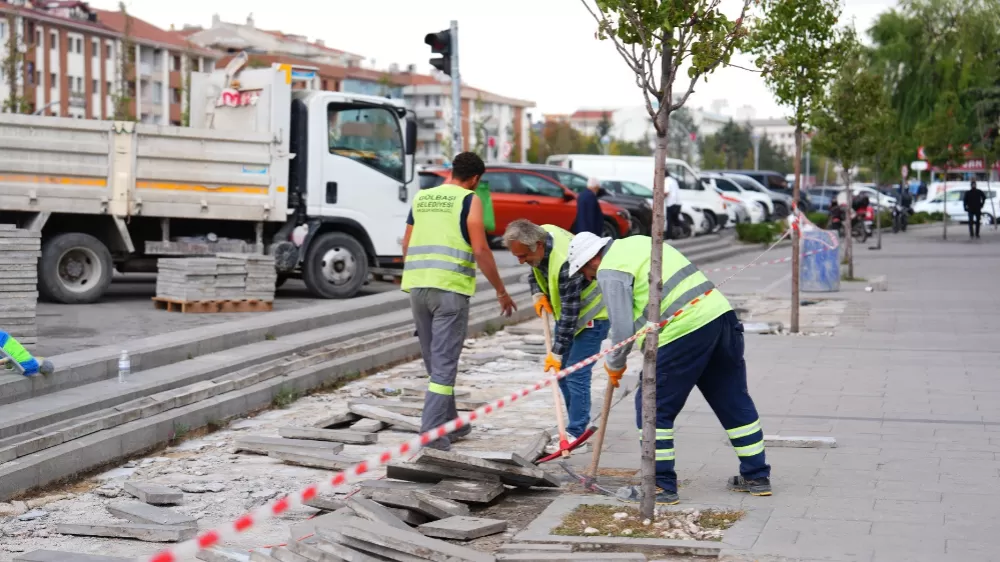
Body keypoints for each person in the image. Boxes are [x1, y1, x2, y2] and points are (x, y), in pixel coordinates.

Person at [566, 232, 771, 505]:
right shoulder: (638, 242)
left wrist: (614, 364)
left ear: (592, 260)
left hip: (682, 331)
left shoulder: (609, 269)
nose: (589, 279)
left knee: (653, 407)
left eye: (585, 273)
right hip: (720, 317)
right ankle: (757, 476)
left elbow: (623, 328)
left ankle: (660, 486)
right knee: (732, 399)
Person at [401, 151, 517, 450]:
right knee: (443, 366)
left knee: (434, 361)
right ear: (475, 178)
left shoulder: (422, 198)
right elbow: (480, 249)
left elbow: (406, 243)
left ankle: (450, 422)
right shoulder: (469, 200)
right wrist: (501, 290)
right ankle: (432, 435)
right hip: (450, 290)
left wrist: (420, 274)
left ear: (452, 171)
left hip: (418, 288)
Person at [502, 219, 609, 443]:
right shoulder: (542, 234)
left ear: (538, 245)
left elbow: (570, 317)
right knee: (562, 374)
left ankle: (577, 431)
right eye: (517, 256)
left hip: (592, 316)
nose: (521, 261)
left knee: (575, 373)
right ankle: (574, 425)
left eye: (523, 256)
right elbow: (535, 270)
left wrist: (557, 352)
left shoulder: (564, 265)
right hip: (569, 314)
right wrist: (537, 293)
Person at [664, 172, 682, 240]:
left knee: (669, 221)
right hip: (678, 203)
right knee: (675, 220)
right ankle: (684, 229)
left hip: (671, 203)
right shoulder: (673, 180)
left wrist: (659, 198)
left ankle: (669, 236)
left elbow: (666, 192)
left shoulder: (666, 181)